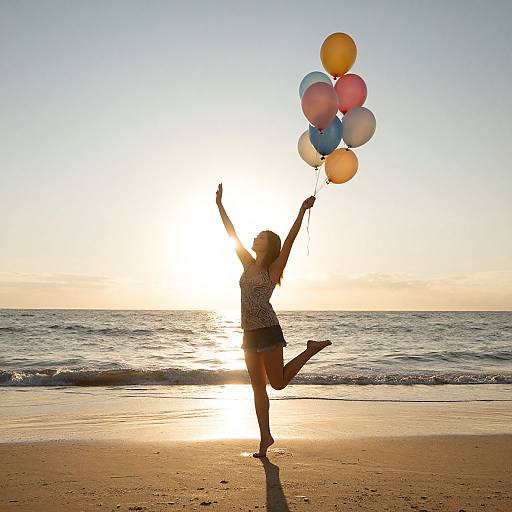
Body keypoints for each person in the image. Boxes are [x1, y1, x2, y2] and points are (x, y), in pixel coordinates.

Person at [216, 183, 332, 457]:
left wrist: (302, 211)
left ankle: (310, 349)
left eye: (260, 237)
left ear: (269, 245)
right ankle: (264, 438)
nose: (254, 238)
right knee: (257, 389)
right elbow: (231, 234)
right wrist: (220, 205)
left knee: (277, 384)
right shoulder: (247, 263)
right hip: (249, 333)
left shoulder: (272, 268)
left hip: (268, 330)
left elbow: (290, 241)